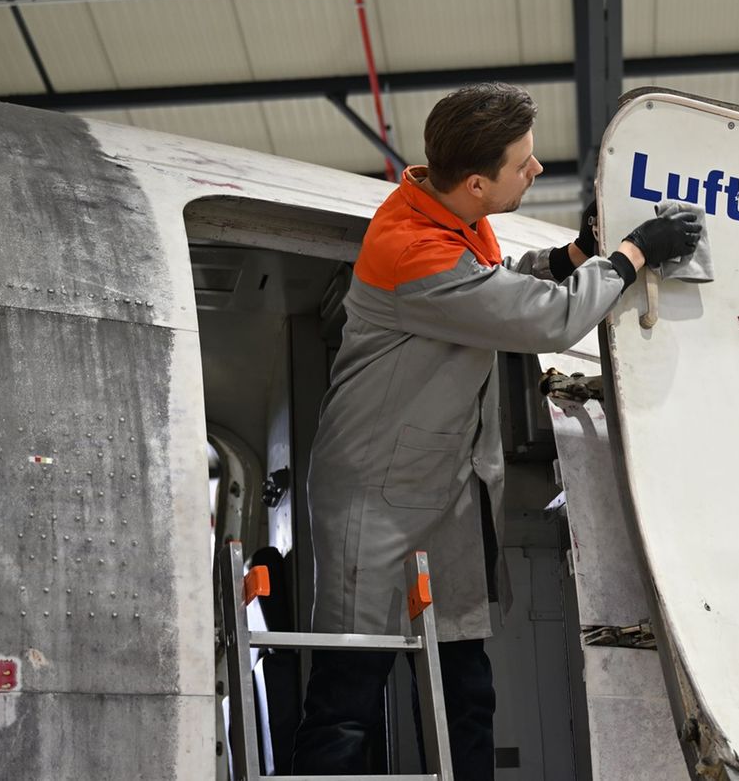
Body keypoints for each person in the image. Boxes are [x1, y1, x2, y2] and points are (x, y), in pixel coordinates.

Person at [291, 82, 701, 778]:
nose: (536, 171)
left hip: (439, 488)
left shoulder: (445, 212)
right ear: (478, 183)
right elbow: (546, 321)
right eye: (524, 164)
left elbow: (495, 285)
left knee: (466, 688)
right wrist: (631, 257)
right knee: (349, 694)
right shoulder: (411, 248)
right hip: (378, 495)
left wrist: (574, 256)